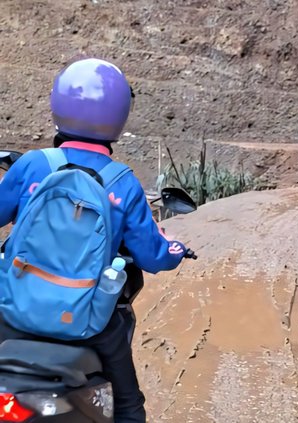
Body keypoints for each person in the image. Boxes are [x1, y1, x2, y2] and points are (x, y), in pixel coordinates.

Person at [0, 58, 188, 422]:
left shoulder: (33, 165)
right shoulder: (123, 182)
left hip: (13, 310)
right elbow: (152, 256)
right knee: (129, 404)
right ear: (119, 115)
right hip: (87, 321)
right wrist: (175, 251)